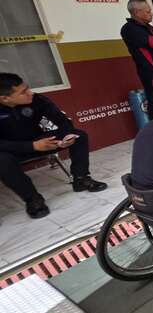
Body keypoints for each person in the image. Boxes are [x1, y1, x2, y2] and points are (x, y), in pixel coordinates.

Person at [0, 73, 107, 218]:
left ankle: (81, 179)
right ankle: (33, 199)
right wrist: (32, 146)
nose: (30, 93)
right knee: (2, 161)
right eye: (23, 92)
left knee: (79, 136)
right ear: (5, 98)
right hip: (12, 149)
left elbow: (61, 119)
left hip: (40, 141)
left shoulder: (36, 99)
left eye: (27, 88)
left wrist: (66, 136)